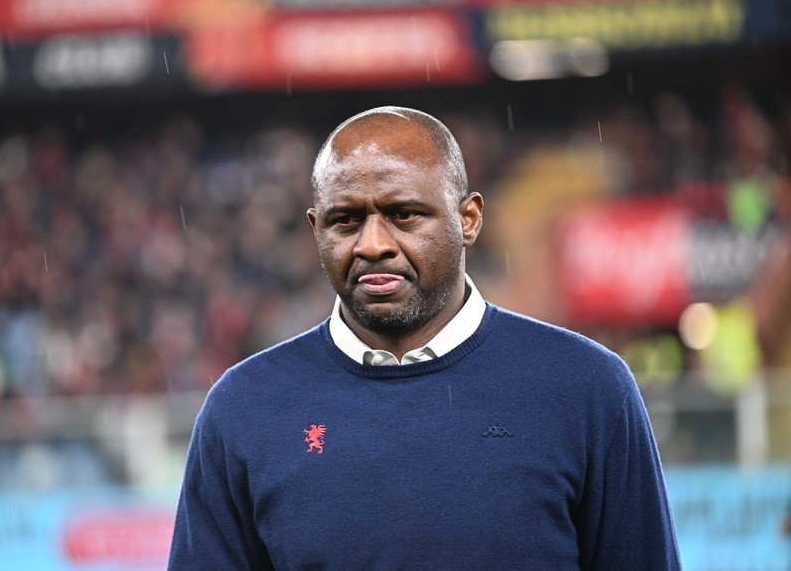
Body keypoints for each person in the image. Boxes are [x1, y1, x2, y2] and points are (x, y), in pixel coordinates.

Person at [168, 106, 681, 570]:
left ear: (469, 219)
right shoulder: (243, 407)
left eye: (403, 215)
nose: (372, 245)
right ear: (314, 228)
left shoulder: (586, 387)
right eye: (345, 220)